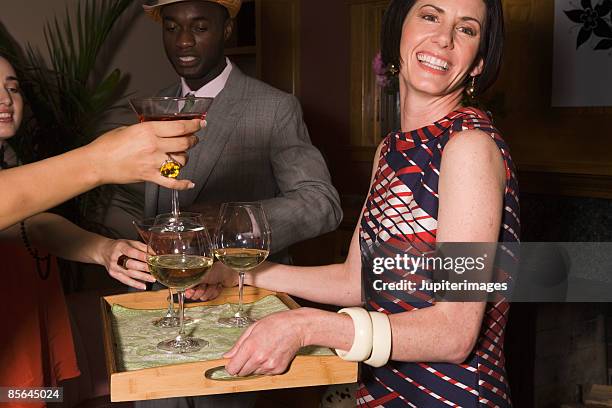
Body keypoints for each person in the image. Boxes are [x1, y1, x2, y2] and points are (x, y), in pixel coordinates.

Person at [210, 0, 519, 406]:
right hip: (382, 391)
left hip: (449, 397)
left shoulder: (469, 147)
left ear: (478, 62)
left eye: (466, 29)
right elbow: (356, 281)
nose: (443, 38)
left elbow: (454, 331)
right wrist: (242, 274)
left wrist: (307, 326)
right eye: (430, 16)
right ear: (397, 35)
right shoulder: (391, 150)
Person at [136, 0, 341, 266]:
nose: (183, 41)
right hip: (160, 290)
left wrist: (238, 219)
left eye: (199, 27)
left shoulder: (275, 108)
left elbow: (321, 203)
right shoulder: (157, 104)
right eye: (172, 27)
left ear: (227, 30)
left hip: (240, 292)